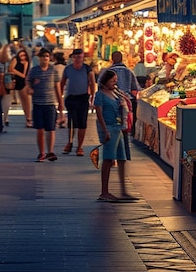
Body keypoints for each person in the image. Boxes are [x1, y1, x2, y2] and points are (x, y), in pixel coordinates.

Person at [93, 69, 136, 202]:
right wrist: (105, 130)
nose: (114, 83)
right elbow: (99, 113)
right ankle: (104, 191)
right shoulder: (100, 95)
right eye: (112, 81)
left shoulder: (116, 93)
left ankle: (123, 190)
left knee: (122, 159)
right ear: (105, 82)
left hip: (119, 128)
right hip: (109, 128)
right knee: (108, 159)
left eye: (115, 81)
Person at [26, 48, 64, 162]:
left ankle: (50, 151)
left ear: (50, 58)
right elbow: (28, 84)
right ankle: (41, 152)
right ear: (39, 58)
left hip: (50, 103)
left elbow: (58, 88)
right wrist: (30, 88)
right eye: (43, 56)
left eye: (47, 56)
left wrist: (60, 104)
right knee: (40, 130)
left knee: (51, 129)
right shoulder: (34, 71)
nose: (45, 58)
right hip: (38, 104)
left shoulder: (53, 71)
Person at [102, 51, 140, 159]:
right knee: (124, 130)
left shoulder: (107, 72)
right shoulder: (129, 72)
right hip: (126, 104)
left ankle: (112, 156)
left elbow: (101, 86)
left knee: (112, 129)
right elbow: (135, 88)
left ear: (112, 59)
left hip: (111, 103)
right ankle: (125, 155)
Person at [60, 48, 95, 155]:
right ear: (73, 58)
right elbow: (62, 83)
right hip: (71, 98)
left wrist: (92, 98)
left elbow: (92, 83)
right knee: (71, 122)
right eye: (76, 57)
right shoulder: (68, 69)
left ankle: (80, 146)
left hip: (83, 98)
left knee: (82, 123)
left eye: (80, 57)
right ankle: (70, 142)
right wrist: (60, 98)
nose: (78, 59)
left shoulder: (87, 69)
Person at [9, 48, 32, 127]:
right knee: (23, 101)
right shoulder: (15, 60)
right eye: (21, 55)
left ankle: (29, 118)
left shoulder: (26, 62)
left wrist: (22, 75)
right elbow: (11, 69)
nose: (22, 57)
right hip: (17, 81)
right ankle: (28, 118)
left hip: (24, 82)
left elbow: (25, 73)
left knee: (27, 101)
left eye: (24, 55)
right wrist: (20, 74)